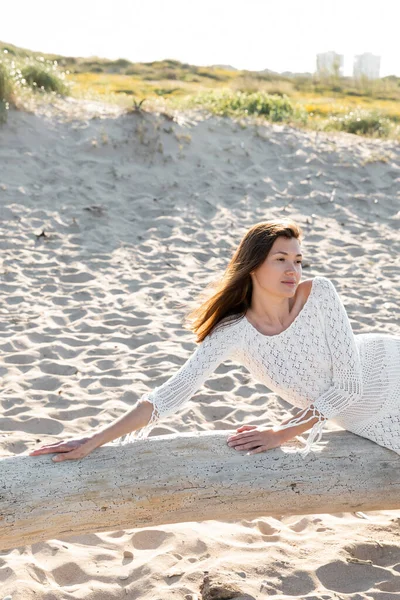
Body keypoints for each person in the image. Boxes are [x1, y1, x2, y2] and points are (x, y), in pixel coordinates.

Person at [29, 219, 400, 463]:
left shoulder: (319, 293)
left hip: (389, 368)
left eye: (298, 260)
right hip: (366, 420)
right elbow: (171, 394)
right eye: (281, 259)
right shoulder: (234, 332)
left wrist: (281, 433)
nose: (293, 270)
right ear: (254, 266)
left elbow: (349, 386)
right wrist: (94, 439)